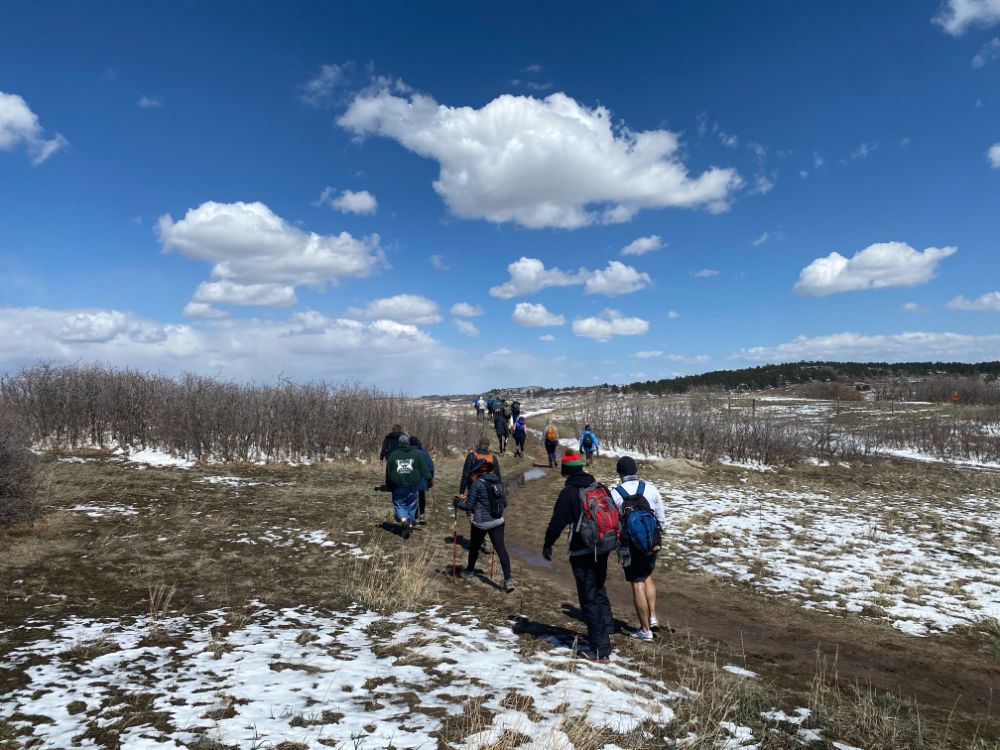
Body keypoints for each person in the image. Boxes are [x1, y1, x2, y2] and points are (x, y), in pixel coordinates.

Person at [542, 453, 618, 662]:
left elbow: (557, 523)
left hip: (581, 551)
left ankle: (600, 650)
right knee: (599, 588)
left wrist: (548, 544)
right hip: (603, 547)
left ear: (565, 472)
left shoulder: (569, 493)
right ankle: (607, 632)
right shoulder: (600, 487)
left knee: (588, 598)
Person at [609, 456, 666, 641]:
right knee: (647, 575)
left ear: (620, 473)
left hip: (631, 545)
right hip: (651, 541)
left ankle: (645, 630)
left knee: (637, 583)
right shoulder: (650, 488)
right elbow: (661, 518)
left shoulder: (615, 494)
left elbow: (613, 523)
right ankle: (653, 617)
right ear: (635, 470)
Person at [453, 458, 514, 592]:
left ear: (478, 472)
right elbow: (505, 503)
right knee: (501, 550)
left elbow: (469, 506)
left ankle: (469, 571)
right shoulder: (498, 482)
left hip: (481, 523)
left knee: (474, 548)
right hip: (498, 522)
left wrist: (457, 503)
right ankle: (508, 580)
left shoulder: (477, 484)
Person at [385, 435, 430, 539]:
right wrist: (428, 477)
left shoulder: (393, 454)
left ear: (399, 443)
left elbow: (388, 471)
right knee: (411, 505)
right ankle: (409, 524)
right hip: (413, 486)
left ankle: (404, 521)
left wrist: (388, 484)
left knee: (399, 504)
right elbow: (424, 468)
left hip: (398, 486)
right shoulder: (415, 453)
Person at [410, 436, 435, 525]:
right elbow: (431, 468)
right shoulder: (424, 453)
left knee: (412, 497)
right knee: (421, 495)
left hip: (411, 478)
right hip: (422, 479)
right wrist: (430, 480)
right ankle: (422, 515)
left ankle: (415, 516)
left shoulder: (407, 453)